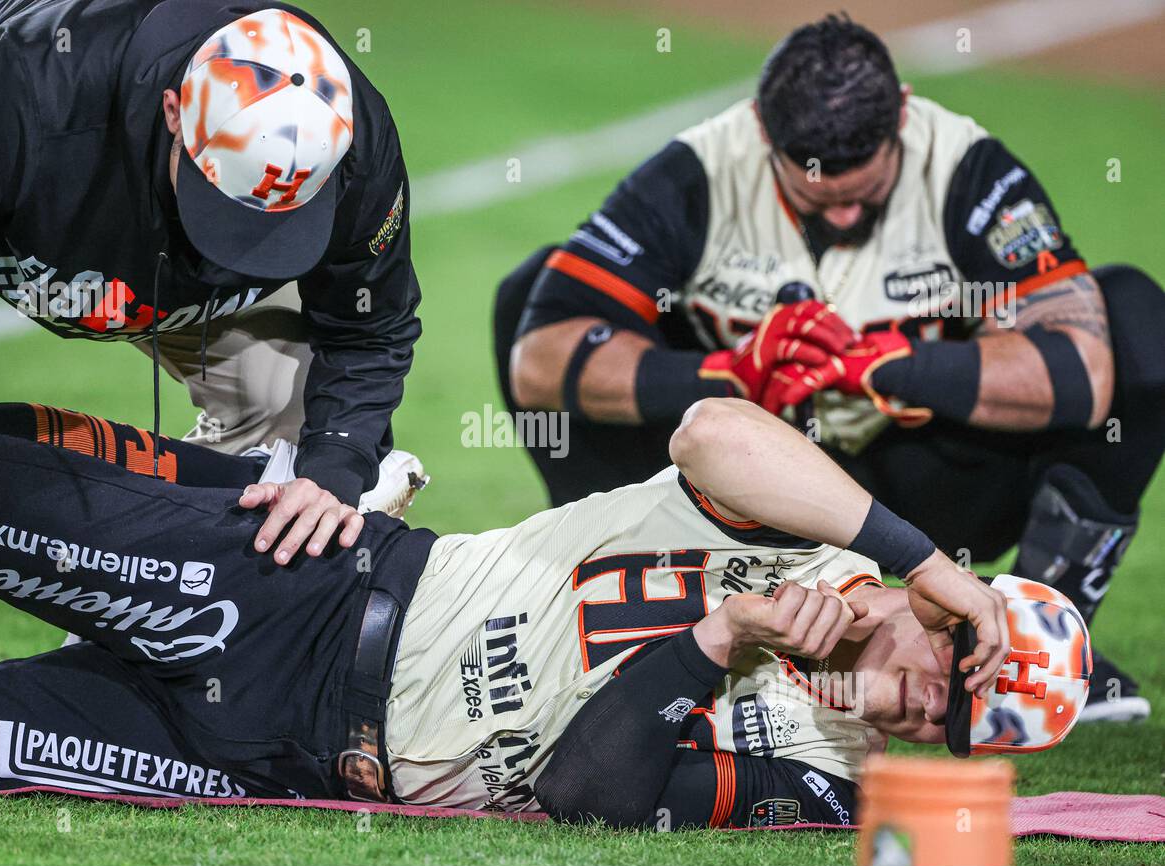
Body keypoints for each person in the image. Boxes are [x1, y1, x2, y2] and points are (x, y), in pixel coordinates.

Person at [0, 396, 1085, 830]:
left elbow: (588, 797)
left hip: (267, 758)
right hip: (305, 595)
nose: (936, 711)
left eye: (964, 733)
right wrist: (910, 551)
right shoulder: (812, 525)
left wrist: (721, 642)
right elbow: (709, 430)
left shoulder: (820, 778)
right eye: (958, 670)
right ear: (952, 607)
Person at [494, 14, 1159, 721]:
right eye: (816, 198)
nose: (842, 217)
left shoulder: (967, 168)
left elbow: (1082, 369)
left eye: (862, 197)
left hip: (927, 488)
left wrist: (899, 365)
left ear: (901, 116)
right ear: (762, 131)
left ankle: (1024, 640)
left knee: (1137, 320)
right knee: (530, 295)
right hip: (751, 494)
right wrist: (728, 376)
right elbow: (539, 358)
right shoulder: (699, 171)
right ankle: (628, 594)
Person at [0, 0, 426, 592]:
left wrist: (332, 472)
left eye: (270, 227)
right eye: (223, 207)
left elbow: (370, 328)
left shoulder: (353, 146)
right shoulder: (27, 102)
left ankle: (158, 619)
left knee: (288, 411)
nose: (234, 249)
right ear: (174, 113)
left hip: (112, 220)